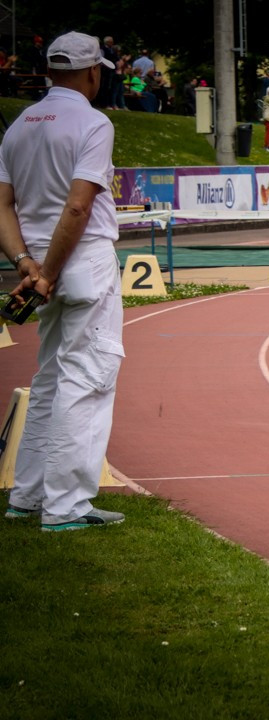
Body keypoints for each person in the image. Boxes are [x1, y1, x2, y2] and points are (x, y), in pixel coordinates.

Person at [0, 31, 126, 531]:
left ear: (49, 71)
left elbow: (2, 206)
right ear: (93, 72)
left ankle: (27, 496)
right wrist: (49, 272)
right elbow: (79, 204)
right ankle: (67, 506)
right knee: (88, 378)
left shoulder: (18, 128)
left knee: (50, 378)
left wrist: (25, 265)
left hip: (36, 266)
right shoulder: (93, 123)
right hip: (80, 261)